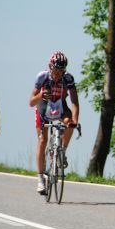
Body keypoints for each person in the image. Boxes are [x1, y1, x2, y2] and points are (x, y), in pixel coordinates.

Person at [29, 51, 79, 195]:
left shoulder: (68, 78)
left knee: (70, 123)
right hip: (43, 107)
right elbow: (31, 102)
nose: (58, 74)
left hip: (60, 106)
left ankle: (62, 150)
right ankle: (40, 178)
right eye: (56, 70)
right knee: (43, 139)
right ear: (50, 67)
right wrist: (40, 95)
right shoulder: (43, 77)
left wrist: (75, 120)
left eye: (61, 71)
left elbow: (74, 102)